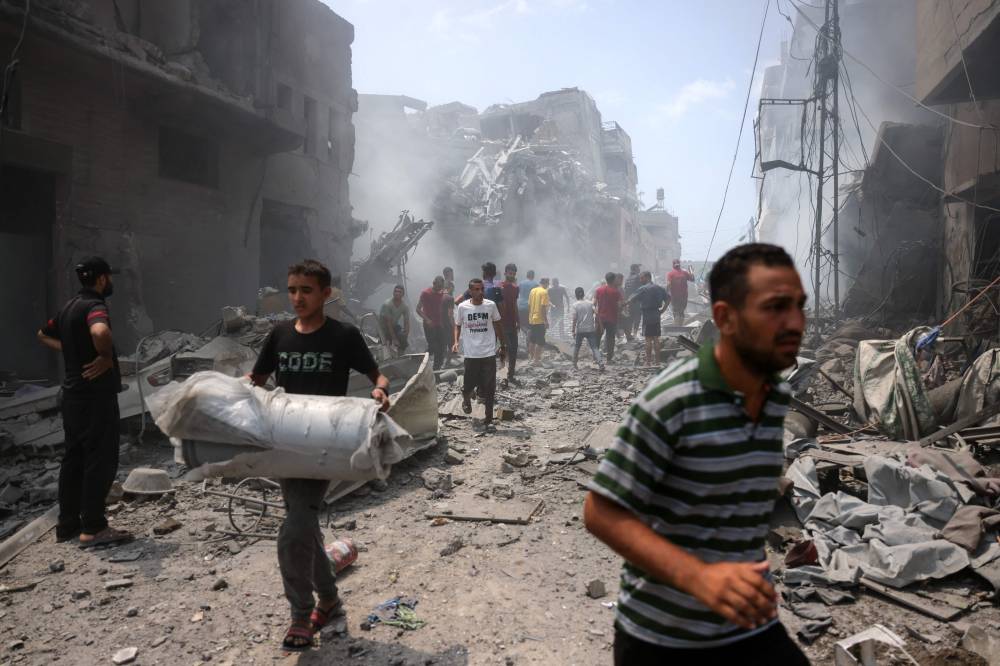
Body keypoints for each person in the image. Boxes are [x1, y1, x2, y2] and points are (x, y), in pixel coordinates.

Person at [583, 243, 808, 665]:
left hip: (748, 624)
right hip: (664, 637)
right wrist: (700, 578)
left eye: (798, 306)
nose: (794, 322)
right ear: (725, 318)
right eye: (775, 308)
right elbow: (600, 512)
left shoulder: (775, 395)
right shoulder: (674, 399)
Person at [249, 259, 391, 652]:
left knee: (293, 529)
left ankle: (300, 615)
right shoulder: (279, 335)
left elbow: (377, 375)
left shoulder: (343, 336)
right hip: (284, 443)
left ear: (326, 294)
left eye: (306, 291)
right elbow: (256, 380)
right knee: (304, 524)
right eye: (292, 290)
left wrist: (380, 391)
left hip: (323, 445)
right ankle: (329, 600)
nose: (297, 298)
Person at [37, 257, 133, 549]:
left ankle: (67, 525)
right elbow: (99, 331)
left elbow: (43, 334)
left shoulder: (69, 307)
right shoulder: (94, 307)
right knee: (100, 461)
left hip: (72, 397)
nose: (110, 282)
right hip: (95, 399)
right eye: (109, 277)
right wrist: (103, 357)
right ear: (102, 279)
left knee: (74, 460)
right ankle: (94, 528)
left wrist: (72, 350)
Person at [452, 278, 506, 430]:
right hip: (471, 354)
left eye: (482, 289)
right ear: (470, 291)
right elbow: (457, 325)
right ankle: (466, 398)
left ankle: (488, 418)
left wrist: (503, 345)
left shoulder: (490, 305)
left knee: (489, 387)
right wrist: (455, 342)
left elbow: (498, 325)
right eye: (476, 289)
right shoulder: (463, 307)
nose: (480, 292)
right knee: (469, 385)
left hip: (488, 353)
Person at [628, 271, 670, 367]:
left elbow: (631, 299)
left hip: (647, 315)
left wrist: (624, 305)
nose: (640, 280)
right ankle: (658, 362)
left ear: (647, 277)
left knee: (648, 339)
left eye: (641, 278)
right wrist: (663, 310)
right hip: (656, 314)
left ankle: (648, 363)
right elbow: (668, 298)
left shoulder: (643, 288)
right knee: (656, 338)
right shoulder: (659, 288)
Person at [415, 276, 448, 370]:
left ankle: (436, 368)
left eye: (441, 287)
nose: (440, 289)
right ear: (434, 284)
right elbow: (418, 309)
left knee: (442, 346)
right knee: (433, 347)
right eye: (439, 286)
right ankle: (420, 361)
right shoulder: (426, 293)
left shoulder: (441, 293)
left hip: (439, 324)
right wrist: (427, 320)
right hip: (429, 324)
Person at [594, 271, 623, 363]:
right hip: (612, 319)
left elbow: (594, 304)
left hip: (600, 319)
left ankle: (596, 358)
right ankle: (609, 359)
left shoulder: (598, 290)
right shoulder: (616, 292)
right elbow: (619, 306)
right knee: (610, 339)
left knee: (597, 338)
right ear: (614, 280)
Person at [571, 286, 603, 371]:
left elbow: (574, 319)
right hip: (590, 329)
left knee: (577, 346)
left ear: (576, 295)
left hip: (580, 330)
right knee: (594, 347)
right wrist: (600, 325)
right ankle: (600, 363)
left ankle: (574, 364)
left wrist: (573, 330)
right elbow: (597, 314)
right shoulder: (590, 303)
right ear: (584, 294)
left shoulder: (575, 305)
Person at [499, 263, 521, 385]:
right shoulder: (500, 287)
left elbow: (515, 304)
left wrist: (518, 320)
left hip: (512, 323)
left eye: (513, 273)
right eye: (510, 273)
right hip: (502, 323)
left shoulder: (515, 288)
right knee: (505, 349)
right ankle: (503, 377)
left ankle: (511, 375)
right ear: (505, 273)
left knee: (514, 350)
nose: (511, 275)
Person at [379, 284, 410, 357]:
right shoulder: (387, 304)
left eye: (399, 292)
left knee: (402, 338)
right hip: (383, 328)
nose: (397, 293)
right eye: (396, 291)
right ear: (393, 293)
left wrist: (405, 336)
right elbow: (388, 323)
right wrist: (394, 338)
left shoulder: (404, 306)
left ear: (403, 294)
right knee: (386, 345)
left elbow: (407, 322)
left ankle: (401, 356)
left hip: (394, 325)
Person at [527, 277, 551, 363]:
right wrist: (546, 321)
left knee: (532, 340)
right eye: (548, 283)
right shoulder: (544, 292)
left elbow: (529, 305)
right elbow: (543, 307)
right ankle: (536, 360)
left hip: (532, 319)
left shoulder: (533, 290)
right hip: (540, 320)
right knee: (540, 341)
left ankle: (531, 358)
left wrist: (530, 316)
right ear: (547, 283)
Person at [667, 259, 696, 325]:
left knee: (676, 311)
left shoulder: (670, 274)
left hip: (675, 297)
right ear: (679, 265)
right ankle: (680, 325)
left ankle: (677, 325)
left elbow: (669, 284)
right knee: (681, 311)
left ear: (673, 265)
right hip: (684, 296)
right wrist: (691, 272)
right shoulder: (684, 273)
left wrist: (666, 293)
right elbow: (693, 279)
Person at [516, 270, 538, 341]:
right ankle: (529, 341)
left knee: (521, 324)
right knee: (530, 325)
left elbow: (517, 294)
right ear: (533, 276)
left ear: (527, 275)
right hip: (531, 307)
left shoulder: (521, 283)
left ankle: (526, 332)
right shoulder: (536, 284)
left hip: (521, 306)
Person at [622, 264, 642, 342]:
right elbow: (640, 289)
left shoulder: (627, 278)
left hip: (629, 301)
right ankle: (635, 334)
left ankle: (629, 335)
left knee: (630, 318)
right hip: (636, 300)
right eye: (638, 268)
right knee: (637, 317)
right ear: (635, 269)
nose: (639, 269)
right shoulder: (637, 277)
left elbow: (626, 290)